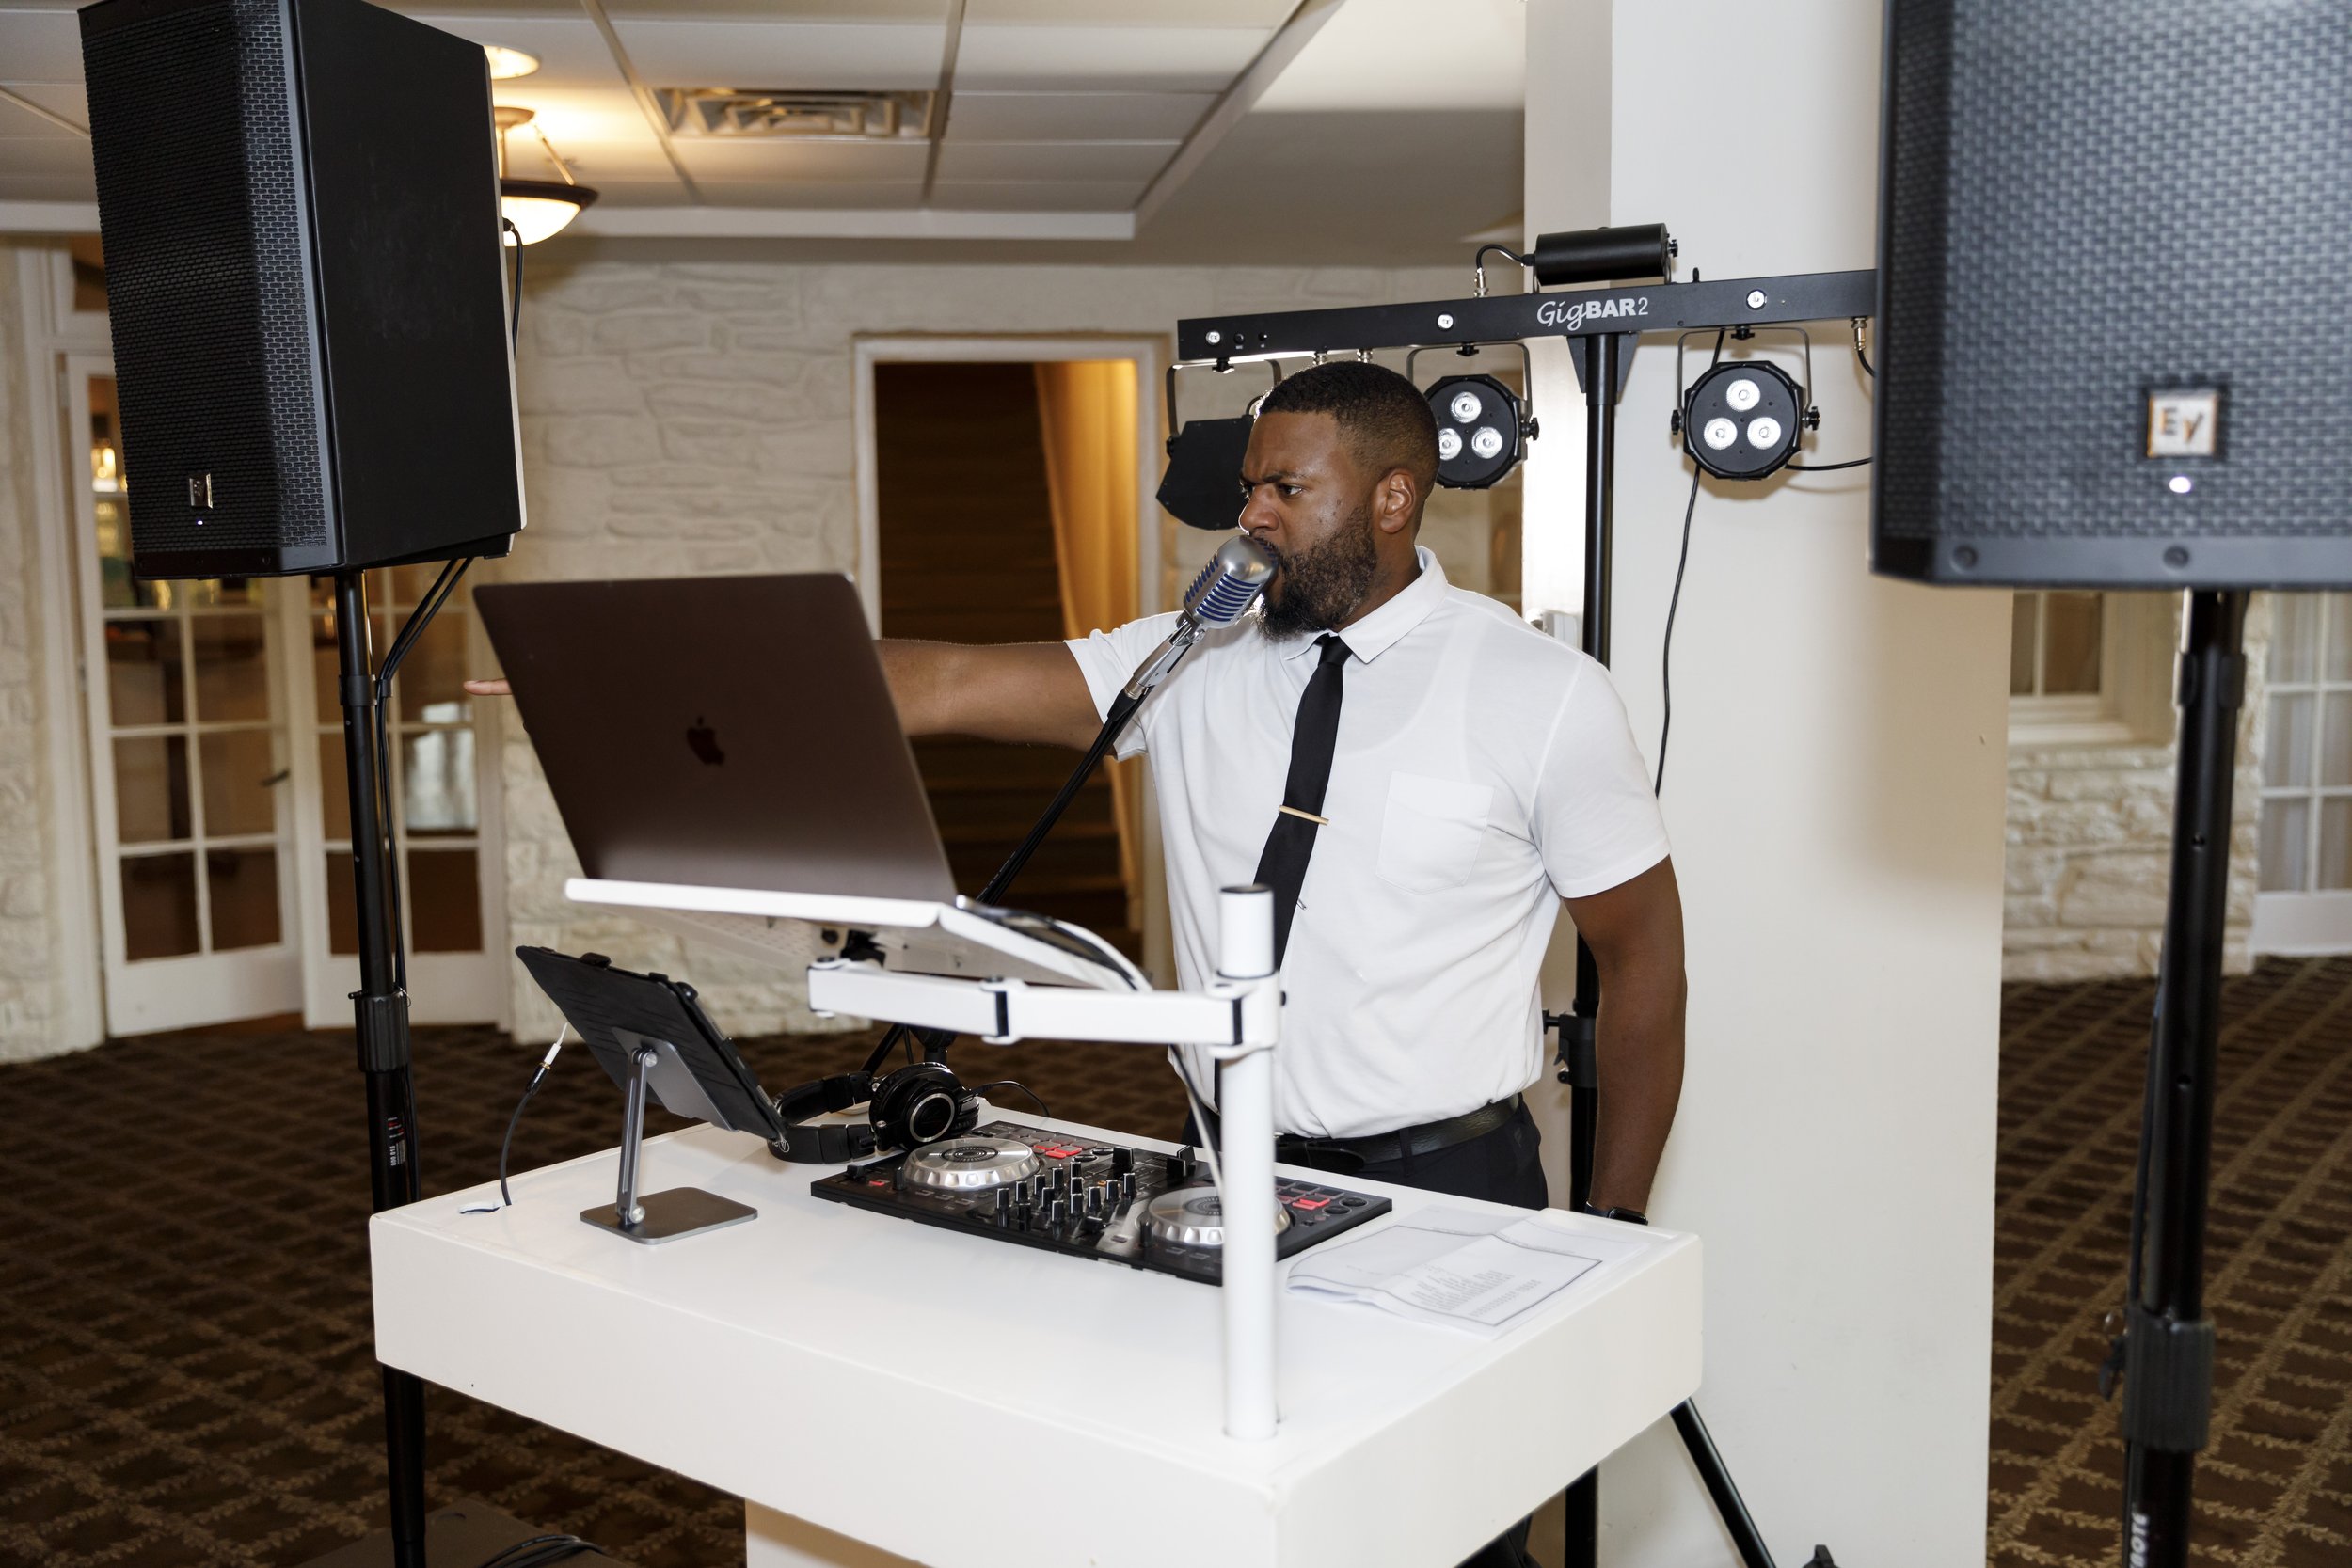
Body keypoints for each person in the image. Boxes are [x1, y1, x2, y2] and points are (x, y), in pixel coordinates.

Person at [471, 360, 1681, 1568]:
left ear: (1392, 497)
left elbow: (1645, 967)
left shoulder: (1543, 696)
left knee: (1445, 1531)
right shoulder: (1190, 653)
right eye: (1248, 485)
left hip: (1447, 1187)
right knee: (1236, 1511)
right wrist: (674, 682)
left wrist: (1616, 1223)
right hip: (1225, 1167)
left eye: (1283, 489)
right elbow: (948, 681)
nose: (1247, 514)